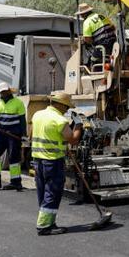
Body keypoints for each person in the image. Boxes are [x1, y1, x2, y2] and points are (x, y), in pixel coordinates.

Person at [31, 91, 83, 236]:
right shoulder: (59, 120)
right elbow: (73, 139)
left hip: (37, 160)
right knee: (52, 193)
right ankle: (44, 226)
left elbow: (35, 134)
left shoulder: (37, 115)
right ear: (60, 105)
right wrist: (78, 125)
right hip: (52, 161)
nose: (67, 110)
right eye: (66, 107)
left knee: (43, 192)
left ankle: (49, 221)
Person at [0, 82, 26, 191]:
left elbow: (22, 120)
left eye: (6, 91)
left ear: (9, 90)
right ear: (0, 92)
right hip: (0, 133)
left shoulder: (18, 102)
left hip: (13, 134)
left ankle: (15, 182)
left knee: (13, 157)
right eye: (3, 91)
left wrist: (23, 134)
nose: (5, 93)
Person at [75, 3, 117, 67]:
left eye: (81, 14)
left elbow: (87, 39)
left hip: (103, 47)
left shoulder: (87, 22)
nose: (81, 16)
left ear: (84, 14)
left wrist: (88, 41)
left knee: (92, 60)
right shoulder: (101, 16)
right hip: (114, 45)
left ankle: (95, 72)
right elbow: (113, 27)